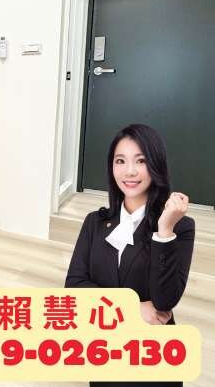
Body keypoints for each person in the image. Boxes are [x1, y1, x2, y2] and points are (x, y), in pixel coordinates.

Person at [65, 124, 195, 387]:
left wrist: (164, 230)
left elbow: (165, 300)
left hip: (153, 356)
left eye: (141, 161)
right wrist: (131, 309)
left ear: (156, 165)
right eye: (120, 161)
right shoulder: (94, 222)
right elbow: (74, 288)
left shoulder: (180, 226)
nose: (130, 171)